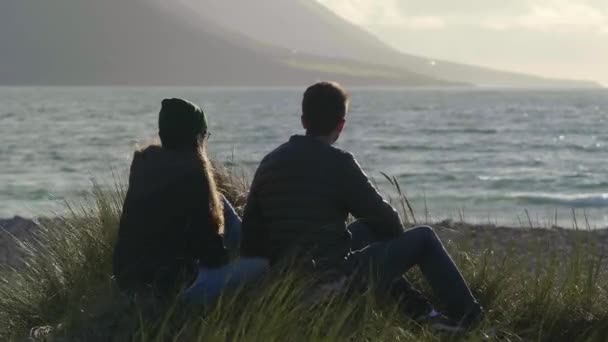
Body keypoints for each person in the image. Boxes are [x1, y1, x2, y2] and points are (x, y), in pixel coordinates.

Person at [241, 82, 482, 332]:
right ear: (341, 125)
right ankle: (471, 321)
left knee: (365, 230)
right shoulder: (339, 163)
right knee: (424, 238)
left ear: (303, 120)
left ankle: (422, 313)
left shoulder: (269, 163)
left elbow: (250, 241)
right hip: (332, 281)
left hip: (285, 282)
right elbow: (389, 222)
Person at [113, 98, 267, 305]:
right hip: (173, 290)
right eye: (205, 135)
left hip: (129, 285)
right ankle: (259, 246)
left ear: (162, 135)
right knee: (262, 265)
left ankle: (250, 242)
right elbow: (210, 255)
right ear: (197, 137)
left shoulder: (143, 167)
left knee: (219, 200)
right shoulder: (193, 174)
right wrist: (226, 255)